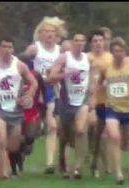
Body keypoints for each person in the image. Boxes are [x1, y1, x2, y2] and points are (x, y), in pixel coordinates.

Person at [0, 36, 38, 178]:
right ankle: (4, 172)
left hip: (16, 111)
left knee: (13, 146)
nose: (7, 50)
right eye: (4, 47)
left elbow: (33, 83)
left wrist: (28, 95)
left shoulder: (19, 66)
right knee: (2, 140)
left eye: (9, 47)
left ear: (13, 49)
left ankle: (17, 154)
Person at [22, 16, 67, 174]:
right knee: (33, 127)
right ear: (40, 33)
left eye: (52, 31)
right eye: (46, 31)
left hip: (52, 90)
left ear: (57, 34)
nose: (49, 34)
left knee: (53, 126)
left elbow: (64, 68)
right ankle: (27, 142)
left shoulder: (60, 50)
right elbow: (23, 65)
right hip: (36, 89)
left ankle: (49, 163)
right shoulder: (35, 48)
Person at [49, 33, 95, 179]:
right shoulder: (64, 58)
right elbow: (51, 76)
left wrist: (92, 96)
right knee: (65, 136)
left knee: (80, 130)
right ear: (72, 43)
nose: (79, 43)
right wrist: (64, 75)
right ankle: (62, 161)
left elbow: (93, 78)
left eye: (82, 41)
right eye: (76, 40)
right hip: (66, 102)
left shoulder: (88, 59)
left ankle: (78, 167)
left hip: (82, 101)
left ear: (85, 43)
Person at [99, 37, 129, 184]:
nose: (118, 54)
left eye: (121, 51)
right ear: (112, 52)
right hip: (112, 108)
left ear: (125, 52)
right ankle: (118, 173)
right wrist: (95, 98)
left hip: (128, 108)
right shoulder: (107, 68)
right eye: (116, 51)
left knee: (125, 144)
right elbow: (100, 83)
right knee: (114, 136)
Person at [87, 29, 113, 178]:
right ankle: (94, 162)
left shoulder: (110, 58)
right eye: (95, 41)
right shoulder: (86, 58)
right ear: (91, 43)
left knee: (103, 135)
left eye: (100, 40)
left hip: (106, 101)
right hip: (90, 101)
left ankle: (101, 164)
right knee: (95, 133)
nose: (98, 43)